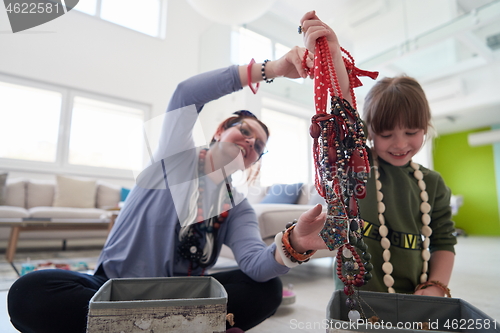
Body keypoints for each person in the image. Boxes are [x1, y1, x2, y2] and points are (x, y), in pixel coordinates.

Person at [7, 47, 331, 333]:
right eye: (244, 131)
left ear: (254, 161)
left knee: (268, 289)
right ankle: (168, 326)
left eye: (258, 145)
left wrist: (295, 243)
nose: (250, 141)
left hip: (185, 295)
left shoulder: (238, 207)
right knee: (28, 293)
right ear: (220, 131)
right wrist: (271, 69)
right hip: (113, 288)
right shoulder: (174, 157)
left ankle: (134, 327)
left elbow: (255, 265)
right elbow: (186, 94)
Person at [300, 11, 457, 296]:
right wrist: (333, 53)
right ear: (370, 132)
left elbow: (444, 241)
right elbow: (344, 114)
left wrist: (436, 286)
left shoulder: (432, 184)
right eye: (386, 135)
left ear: (426, 128)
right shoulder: (359, 162)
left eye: (411, 132)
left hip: (413, 301)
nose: (400, 144)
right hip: (354, 305)